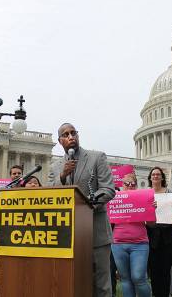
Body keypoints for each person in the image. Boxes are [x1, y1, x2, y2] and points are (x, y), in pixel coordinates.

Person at [48, 123, 115, 297]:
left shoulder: (96, 157)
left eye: (73, 133)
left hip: (96, 232)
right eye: (66, 134)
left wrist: (86, 206)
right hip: (68, 236)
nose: (71, 136)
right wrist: (62, 177)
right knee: (76, 283)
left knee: (101, 285)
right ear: (60, 141)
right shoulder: (55, 168)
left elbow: (108, 189)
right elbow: (50, 195)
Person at [0, 165, 23, 297]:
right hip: (5, 232)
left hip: (22, 233)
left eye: (19, 173)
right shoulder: (2, 191)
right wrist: (2, 225)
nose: (16, 175)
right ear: (10, 175)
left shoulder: (26, 191)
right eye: (14, 173)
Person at [111, 173, 152, 297]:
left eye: (132, 184)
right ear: (122, 185)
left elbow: (151, 223)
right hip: (118, 243)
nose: (129, 186)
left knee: (138, 277)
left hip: (139, 243)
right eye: (126, 183)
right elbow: (108, 220)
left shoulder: (143, 198)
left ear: (136, 185)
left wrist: (151, 209)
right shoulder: (114, 198)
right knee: (125, 279)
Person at [146, 166, 172, 297]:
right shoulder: (146, 193)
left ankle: (165, 294)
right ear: (150, 177)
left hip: (168, 234)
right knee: (154, 269)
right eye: (153, 174)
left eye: (158, 174)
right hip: (152, 233)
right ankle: (155, 293)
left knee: (166, 268)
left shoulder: (169, 192)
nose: (155, 176)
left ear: (162, 177)